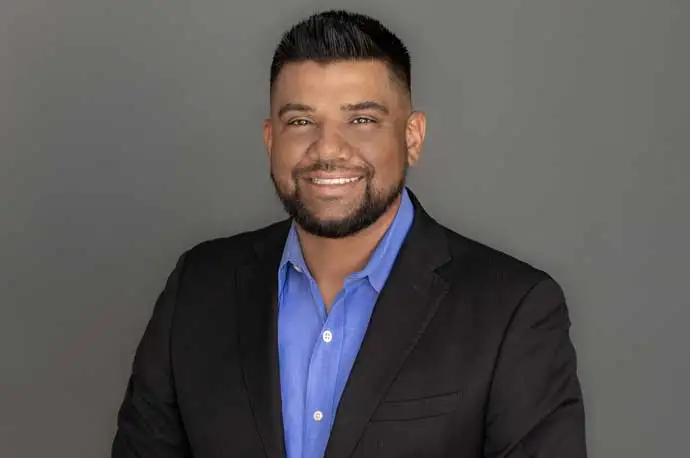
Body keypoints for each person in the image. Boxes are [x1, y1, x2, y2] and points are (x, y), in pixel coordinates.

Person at [111, 9, 587, 458]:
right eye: (301, 121)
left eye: (361, 120)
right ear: (271, 139)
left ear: (412, 137)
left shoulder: (512, 309)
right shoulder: (197, 288)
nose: (328, 150)